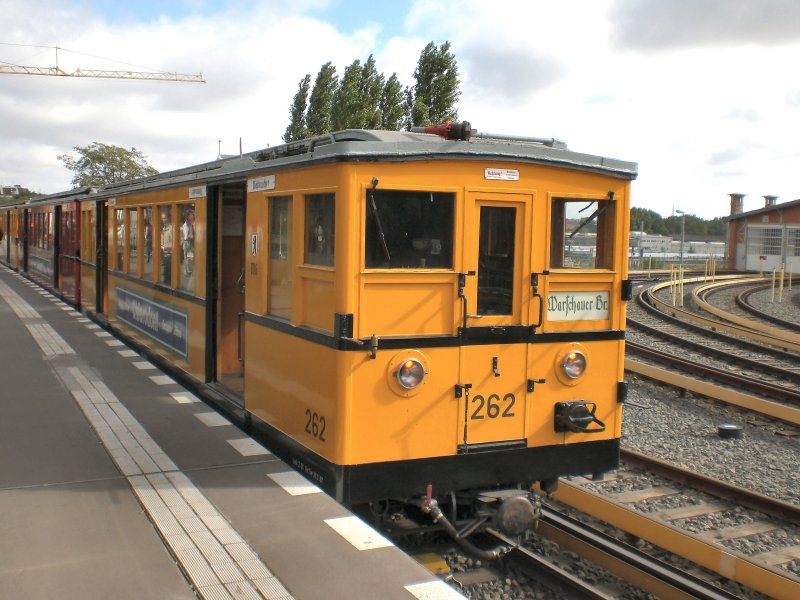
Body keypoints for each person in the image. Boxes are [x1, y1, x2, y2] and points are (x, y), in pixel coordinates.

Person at [160, 209, 173, 284]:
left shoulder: (171, 229)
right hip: (164, 255)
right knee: (165, 274)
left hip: (170, 255)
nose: (163, 220)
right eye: (162, 218)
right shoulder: (163, 229)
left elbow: (177, 242)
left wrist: (165, 247)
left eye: (165, 218)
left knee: (168, 276)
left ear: (168, 218)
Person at [181, 209, 195, 274]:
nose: (190, 216)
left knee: (191, 257)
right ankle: (186, 270)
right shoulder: (185, 224)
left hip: (193, 242)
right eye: (189, 215)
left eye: (191, 215)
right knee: (186, 256)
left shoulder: (195, 223)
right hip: (186, 241)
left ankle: (191, 270)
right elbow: (183, 234)